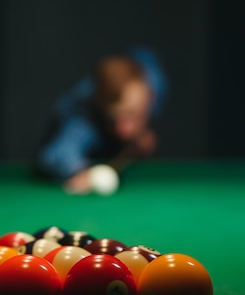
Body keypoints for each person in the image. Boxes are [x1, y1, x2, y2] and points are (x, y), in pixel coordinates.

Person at [35, 47, 167, 194]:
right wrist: (78, 171)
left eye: (132, 114)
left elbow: (144, 52)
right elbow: (56, 154)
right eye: (113, 119)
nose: (124, 130)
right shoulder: (82, 118)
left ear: (151, 95)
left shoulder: (153, 82)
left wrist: (142, 131)